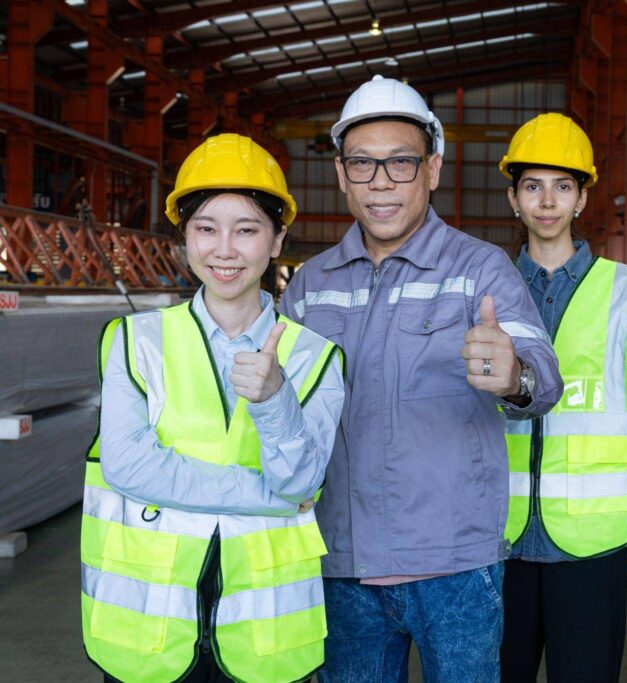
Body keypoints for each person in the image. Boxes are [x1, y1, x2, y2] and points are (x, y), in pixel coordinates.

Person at [277, 75, 562, 683]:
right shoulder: (311, 284)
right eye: (363, 164)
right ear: (340, 174)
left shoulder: (478, 268)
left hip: (453, 566)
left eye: (400, 163)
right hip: (340, 563)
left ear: (432, 169)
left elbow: (543, 373)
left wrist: (514, 376)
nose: (381, 183)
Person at [81, 133, 345, 683]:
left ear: (276, 241)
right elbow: (129, 468)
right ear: (185, 237)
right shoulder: (133, 341)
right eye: (206, 228)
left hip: (265, 634)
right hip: (149, 628)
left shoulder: (317, 357)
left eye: (246, 229)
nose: (224, 249)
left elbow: (299, 482)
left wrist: (276, 403)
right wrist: (265, 498)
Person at [495, 113, 627, 682]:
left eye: (562, 186)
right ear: (514, 198)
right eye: (532, 186)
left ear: (582, 198)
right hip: (496, 538)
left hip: (592, 544)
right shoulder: (483, 288)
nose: (547, 201)